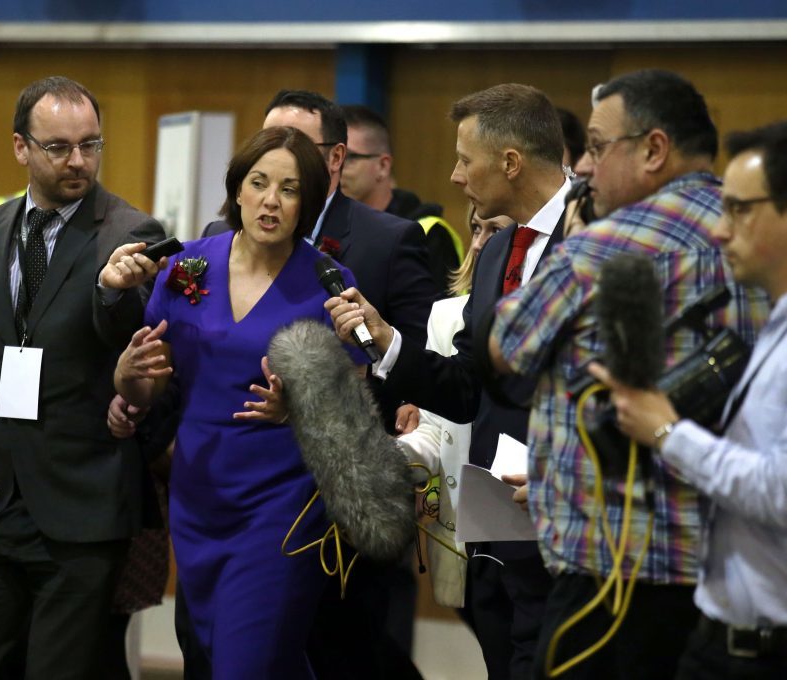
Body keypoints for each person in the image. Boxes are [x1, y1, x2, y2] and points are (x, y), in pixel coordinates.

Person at [486, 70, 770, 679]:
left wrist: (573, 246)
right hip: (722, 572)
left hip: (610, 568)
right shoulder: (751, 239)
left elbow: (505, 344)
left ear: (653, 149)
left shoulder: (603, 246)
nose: (583, 168)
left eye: (595, 146)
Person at [0, 75, 166, 679]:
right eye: (58, 146)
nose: (78, 160)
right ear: (21, 147)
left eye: (90, 144)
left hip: (80, 501)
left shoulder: (132, 235)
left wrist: (112, 294)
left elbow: (134, 342)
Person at [328, 83, 571, 679]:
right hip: (494, 525)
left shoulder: (594, 238)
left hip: (570, 522)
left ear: (510, 162)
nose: (456, 176)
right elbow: (466, 387)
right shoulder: (495, 253)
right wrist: (389, 344)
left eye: (465, 159)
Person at [113, 125, 367, 678]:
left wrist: (296, 407)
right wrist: (126, 375)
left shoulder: (328, 283)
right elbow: (148, 388)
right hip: (199, 493)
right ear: (237, 189)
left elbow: (354, 412)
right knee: (227, 656)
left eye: (290, 189)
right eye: (259, 182)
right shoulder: (185, 270)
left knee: (245, 662)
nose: (271, 200)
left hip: (283, 501)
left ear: (309, 204)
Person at [200, 89, 436, 679]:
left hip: (339, 498)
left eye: (298, 146)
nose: (279, 160)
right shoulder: (213, 243)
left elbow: (413, 364)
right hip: (235, 489)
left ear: (334, 159)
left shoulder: (389, 239)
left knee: (341, 655)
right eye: (265, 146)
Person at [588, 119, 787, 679]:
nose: (721, 232)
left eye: (740, 210)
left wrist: (669, 433)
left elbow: (779, 491)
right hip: (723, 634)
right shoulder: (774, 322)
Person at [397, 205, 509, 612]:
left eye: (494, 230)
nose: (479, 244)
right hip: (462, 532)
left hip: (523, 521)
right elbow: (433, 429)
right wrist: (387, 456)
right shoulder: (443, 316)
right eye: (476, 229)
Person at [341, 103, 463, 300]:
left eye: (350, 158)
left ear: (383, 165)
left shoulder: (429, 233)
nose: (337, 167)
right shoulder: (330, 226)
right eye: (333, 157)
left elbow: (441, 320)